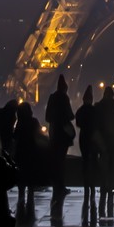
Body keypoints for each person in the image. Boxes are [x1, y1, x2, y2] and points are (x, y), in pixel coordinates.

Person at [44, 74, 75, 208]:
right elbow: (70, 115)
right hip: (63, 135)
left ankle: (56, 184)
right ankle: (60, 185)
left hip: (54, 134)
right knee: (61, 161)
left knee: (55, 160)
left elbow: (47, 117)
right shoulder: (64, 98)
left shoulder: (52, 98)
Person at [75, 84, 102, 223]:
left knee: (85, 160)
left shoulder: (80, 111)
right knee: (93, 160)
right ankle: (92, 185)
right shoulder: (94, 110)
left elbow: (78, 123)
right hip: (92, 138)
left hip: (83, 137)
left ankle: (87, 185)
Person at [95, 86, 114, 220]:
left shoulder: (99, 107)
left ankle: (103, 191)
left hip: (103, 144)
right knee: (112, 168)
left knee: (103, 169)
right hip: (113, 143)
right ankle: (110, 191)